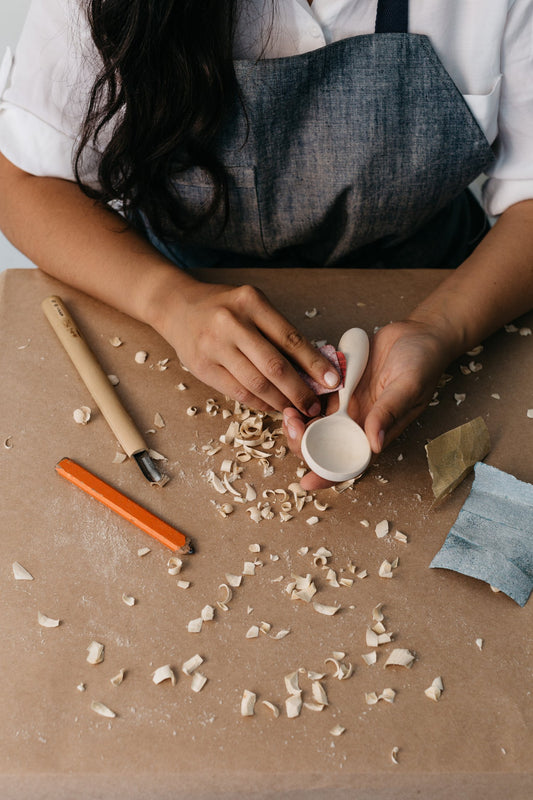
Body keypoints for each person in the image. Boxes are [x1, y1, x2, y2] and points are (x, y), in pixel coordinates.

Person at [0, 0, 532, 491]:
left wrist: (443, 327)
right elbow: (21, 182)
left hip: (447, 280)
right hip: (176, 285)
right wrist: (166, 299)